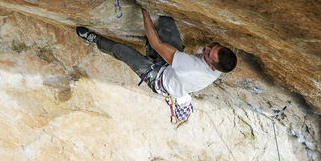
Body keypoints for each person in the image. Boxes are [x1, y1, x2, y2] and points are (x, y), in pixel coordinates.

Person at [76, 8, 237, 122]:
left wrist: (145, 10)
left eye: (208, 53)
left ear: (213, 67)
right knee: (167, 21)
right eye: (212, 47)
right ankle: (156, 48)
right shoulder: (222, 66)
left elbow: (156, 43)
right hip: (172, 69)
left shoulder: (191, 66)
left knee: (122, 50)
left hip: (157, 78)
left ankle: (94, 38)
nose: (206, 48)